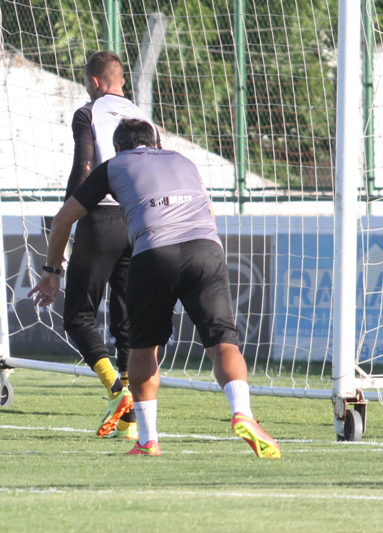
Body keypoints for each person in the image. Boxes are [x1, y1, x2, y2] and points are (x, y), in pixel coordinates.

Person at [29, 119, 280, 458]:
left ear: (118, 147)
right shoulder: (183, 160)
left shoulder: (114, 164)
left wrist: (52, 270)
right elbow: (208, 211)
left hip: (155, 252)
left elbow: (63, 219)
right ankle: (243, 412)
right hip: (206, 249)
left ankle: (147, 440)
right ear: (157, 143)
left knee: (143, 349)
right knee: (223, 341)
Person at [63, 51, 158, 440]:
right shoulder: (143, 118)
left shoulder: (88, 113)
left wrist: (70, 212)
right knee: (127, 319)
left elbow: (85, 167)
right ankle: (130, 422)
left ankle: (117, 390)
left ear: (95, 82)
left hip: (99, 217)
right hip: (138, 220)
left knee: (78, 315)